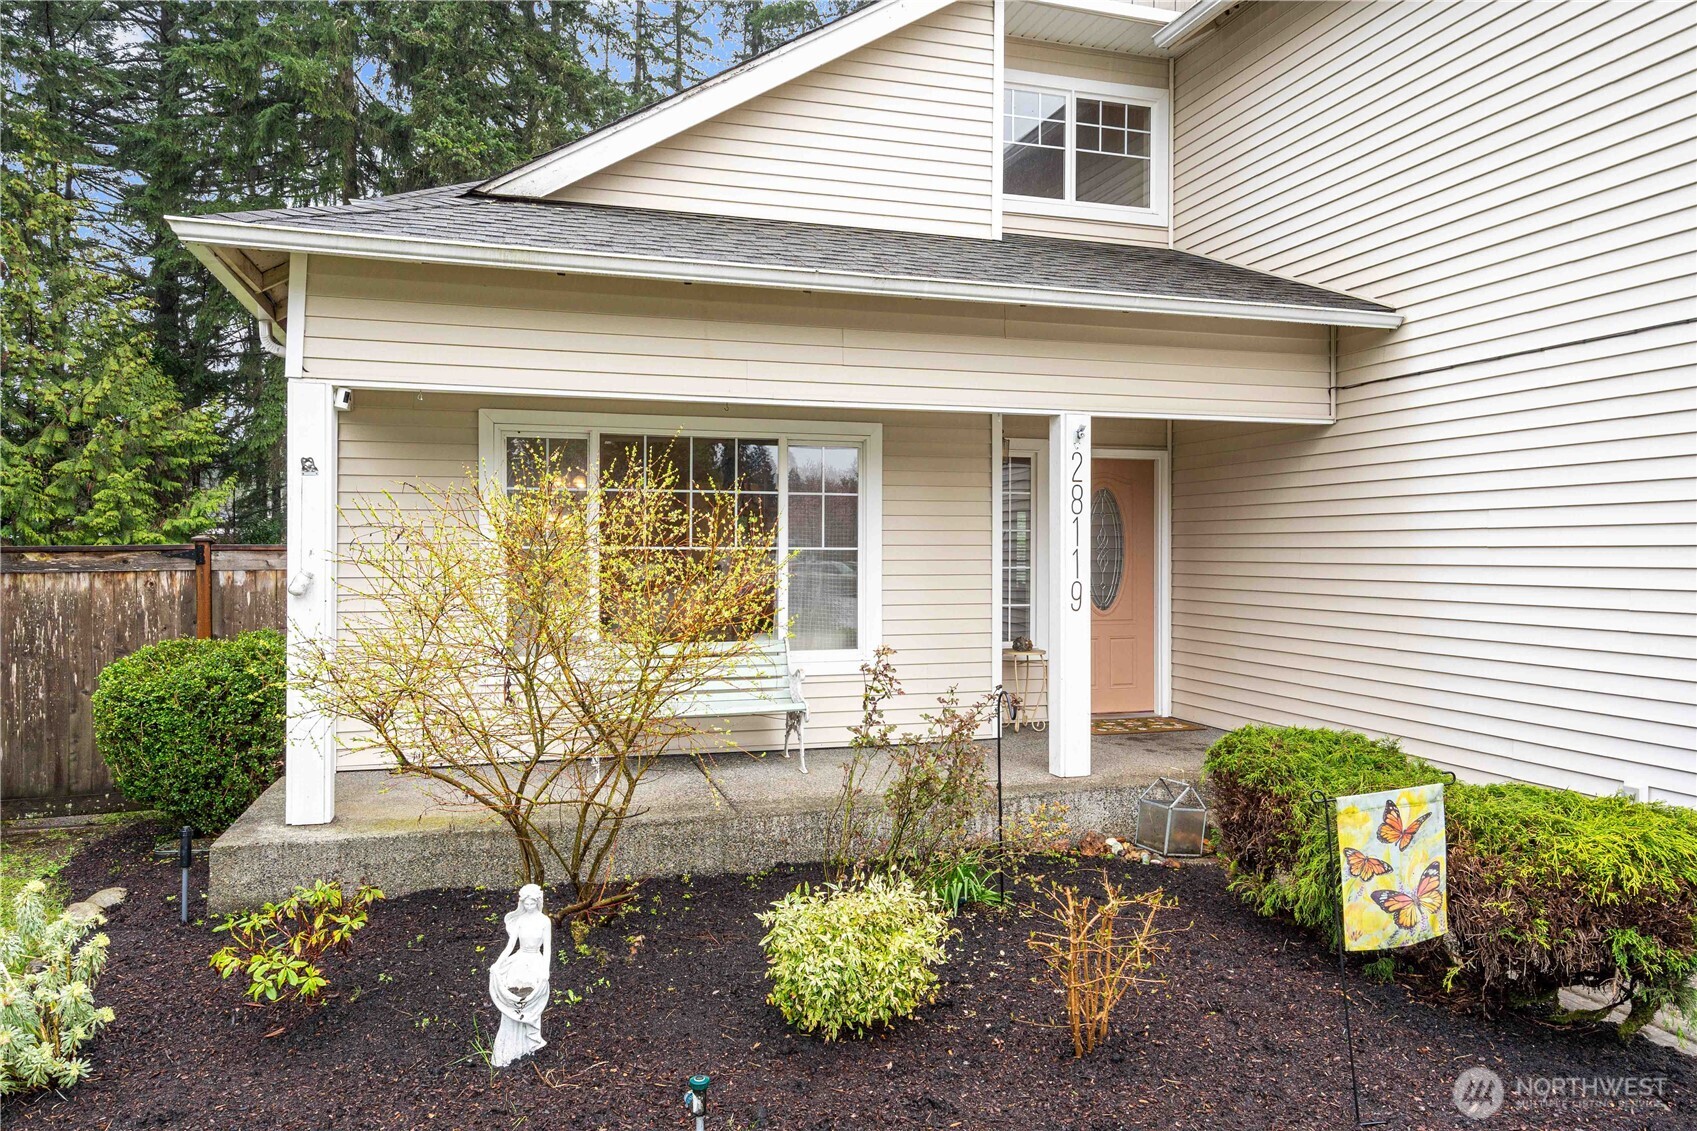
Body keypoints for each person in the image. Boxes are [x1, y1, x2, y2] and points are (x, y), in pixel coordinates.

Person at [488, 883, 552, 1066]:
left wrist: (545, 971)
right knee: (515, 997)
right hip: (519, 962)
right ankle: (510, 1047)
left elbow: (547, 949)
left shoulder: (544, 921)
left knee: (530, 1002)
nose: (528, 907)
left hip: (535, 962)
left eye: (532, 903)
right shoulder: (520, 920)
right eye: (526, 904)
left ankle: (529, 1044)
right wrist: (498, 963)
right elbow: (510, 946)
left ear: (538, 902)